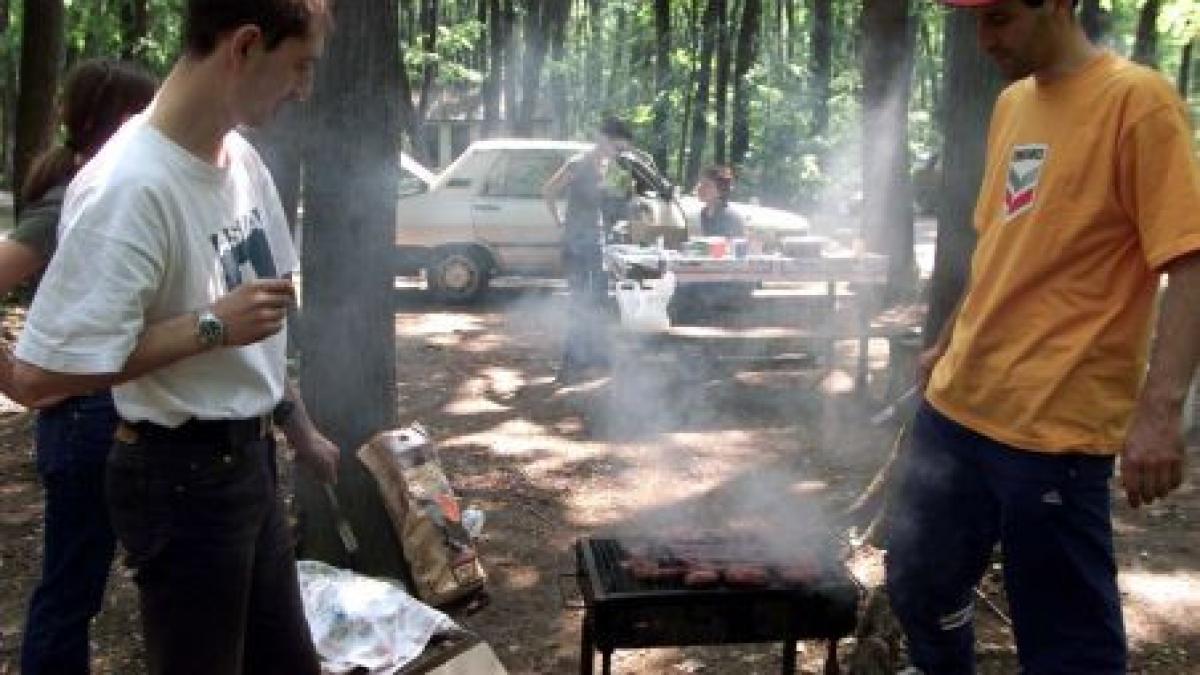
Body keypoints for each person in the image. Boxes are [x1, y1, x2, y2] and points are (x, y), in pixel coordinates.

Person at [0, 1, 339, 673]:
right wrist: (210, 325)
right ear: (244, 47)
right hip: (180, 482)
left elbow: (258, 321)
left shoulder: (239, 160)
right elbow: (37, 377)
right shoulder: (129, 188)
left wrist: (295, 423)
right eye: (299, 66)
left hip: (249, 465)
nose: (304, 89)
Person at [885, 1, 1200, 674]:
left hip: (1053, 430)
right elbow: (1002, 243)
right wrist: (946, 339)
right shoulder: (1013, 104)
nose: (984, 39)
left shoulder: (1137, 102)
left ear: (1059, 3)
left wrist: (1160, 410)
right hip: (959, 404)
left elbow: (1189, 261)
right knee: (917, 578)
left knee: (1067, 646)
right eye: (974, 21)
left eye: (999, 18)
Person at [1, 58, 156, 675]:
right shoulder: (78, 198)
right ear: (119, 120)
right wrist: (14, 379)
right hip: (87, 417)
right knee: (72, 588)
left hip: (112, 410)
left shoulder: (112, 188)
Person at [542, 116, 634, 384]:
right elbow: (548, 191)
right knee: (579, 303)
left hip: (597, 242)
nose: (620, 153)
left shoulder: (608, 166)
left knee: (598, 301)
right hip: (575, 243)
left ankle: (596, 358)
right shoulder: (578, 163)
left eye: (622, 150)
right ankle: (570, 365)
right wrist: (559, 220)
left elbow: (607, 203)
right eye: (618, 148)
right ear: (603, 139)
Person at [696, 165, 745, 238]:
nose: (700, 188)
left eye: (707, 185)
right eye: (701, 183)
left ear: (720, 191)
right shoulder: (704, 213)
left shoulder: (729, 216)